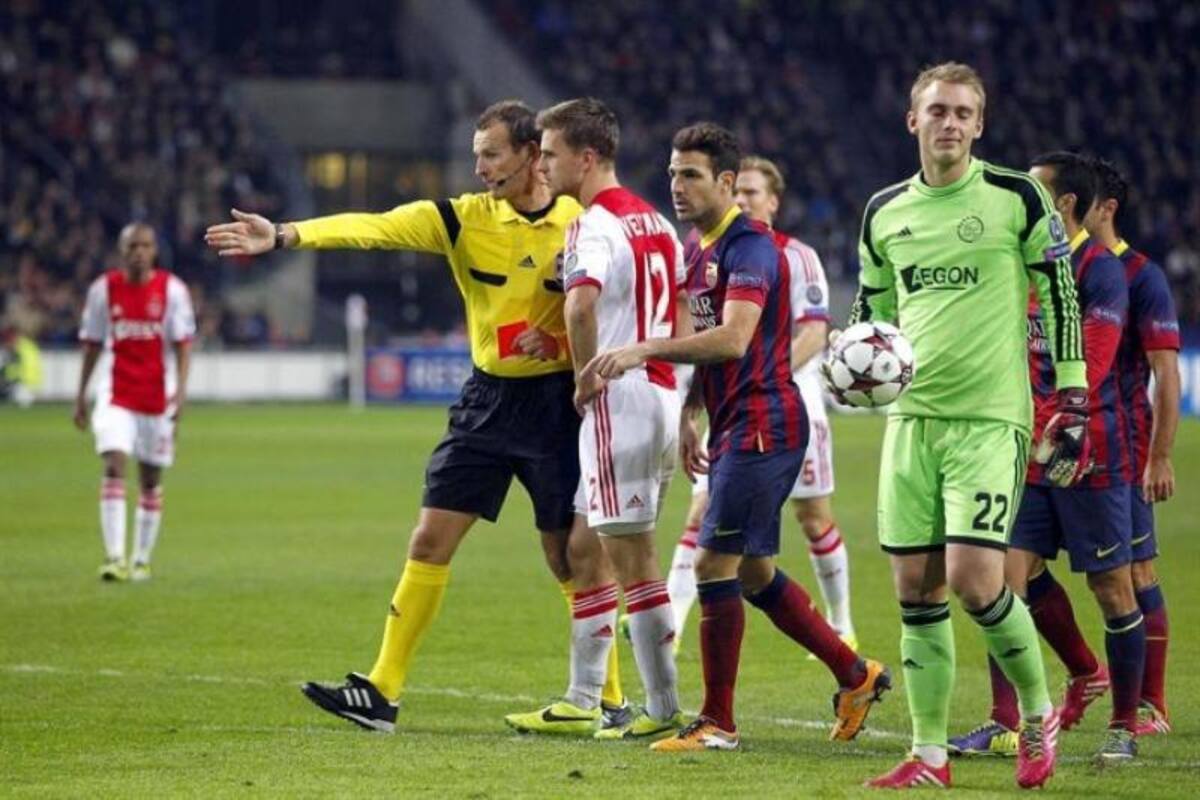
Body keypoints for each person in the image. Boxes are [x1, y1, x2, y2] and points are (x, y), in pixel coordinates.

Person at [206, 100, 629, 732]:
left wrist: (568, 349)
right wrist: (288, 234)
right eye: (476, 155)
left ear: (529, 155)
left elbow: (626, 311)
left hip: (557, 407)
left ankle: (610, 700)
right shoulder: (461, 220)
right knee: (429, 538)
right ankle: (382, 690)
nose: (480, 167)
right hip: (486, 403)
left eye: (491, 154)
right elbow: (373, 227)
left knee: (568, 559)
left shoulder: (585, 223)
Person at [586, 122, 890, 753]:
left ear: (726, 182)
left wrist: (643, 349)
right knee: (753, 572)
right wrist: (692, 406)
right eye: (672, 172)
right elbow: (714, 353)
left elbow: (733, 339)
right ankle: (856, 675)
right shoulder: (698, 250)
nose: (677, 185)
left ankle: (717, 721)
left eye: (691, 174)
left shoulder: (750, 249)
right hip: (732, 422)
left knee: (711, 564)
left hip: (764, 423)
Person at [849, 63, 1083, 790]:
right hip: (912, 425)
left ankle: (1037, 714)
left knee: (975, 580)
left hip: (989, 421)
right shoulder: (884, 211)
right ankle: (929, 758)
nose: (949, 123)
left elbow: (1061, 292)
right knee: (916, 590)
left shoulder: (1017, 196)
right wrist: (855, 365)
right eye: (937, 111)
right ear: (911, 121)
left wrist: (1071, 399)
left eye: (963, 113)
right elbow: (872, 312)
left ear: (979, 125)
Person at [950, 151, 1141, 764]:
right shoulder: (1021, 262)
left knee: (1112, 588)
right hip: (1020, 451)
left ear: (1063, 206)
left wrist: (1065, 421)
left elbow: (1095, 359)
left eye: (1033, 191)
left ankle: (1123, 728)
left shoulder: (1100, 271)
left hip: (1087, 452)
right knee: (999, 577)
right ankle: (1010, 718)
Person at [504, 98, 686, 740]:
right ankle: (583, 698)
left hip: (620, 396)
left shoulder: (592, 225)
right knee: (589, 549)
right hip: (659, 393)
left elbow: (580, 307)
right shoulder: (658, 223)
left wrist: (583, 375)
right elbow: (679, 313)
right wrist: (684, 400)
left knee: (633, 558)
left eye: (549, 153)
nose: (541, 165)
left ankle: (662, 711)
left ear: (587, 157)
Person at [665, 156, 857, 652]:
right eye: (740, 191)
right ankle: (673, 621)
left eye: (755, 192)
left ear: (773, 201)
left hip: (789, 402)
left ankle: (842, 624)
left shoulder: (797, 255)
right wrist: (695, 405)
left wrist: (766, 372)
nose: (745, 199)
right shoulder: (706, 251)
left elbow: (814, 332)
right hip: (729, 403)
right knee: (705, 518)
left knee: (812, 517)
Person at [1089, 158, 1180, 738]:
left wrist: (1161, 454)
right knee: (1019, 567)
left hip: (1121, 449)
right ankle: (1081, 674)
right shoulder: (1058, 268)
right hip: (1061, 450)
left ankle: (1151, 705)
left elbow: (1165, 372)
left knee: (1135, 572)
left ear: (1106, 208)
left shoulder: (1139, 275)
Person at [75, 223, 195, 582]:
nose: (138, 252)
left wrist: (182, 391)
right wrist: (80, 394)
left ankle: (140, 558)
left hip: (158, 396)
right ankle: (115, 558)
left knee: (150, 479)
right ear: (121, 251)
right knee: (114, 463)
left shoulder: (172, 291)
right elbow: (93, 344)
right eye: (132, 246)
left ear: (154, 251)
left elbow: (183, 344)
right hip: (116, 394)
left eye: (144, 246)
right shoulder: (103, 290)